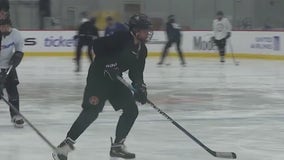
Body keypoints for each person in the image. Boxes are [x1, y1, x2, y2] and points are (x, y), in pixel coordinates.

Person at [52, 13, 152, 160]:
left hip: (116, 81)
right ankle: (64, 147)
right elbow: (97, 45)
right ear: (135, 30)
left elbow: (136, 73)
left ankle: (117, 147)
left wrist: (140, 87)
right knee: (91, 112)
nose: (148, 33)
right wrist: (109, 63)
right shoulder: (121, 38)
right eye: (145, 30)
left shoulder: (142, 50)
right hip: (98, 78)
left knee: (131, 110)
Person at [0, 13, 25, 128]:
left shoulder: (16, 34)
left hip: (8, 66)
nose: (5, 28)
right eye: (2, 26)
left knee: (13, 91)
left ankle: (16, 115)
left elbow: (19, 50)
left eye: (7, 26)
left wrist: (16, 59)